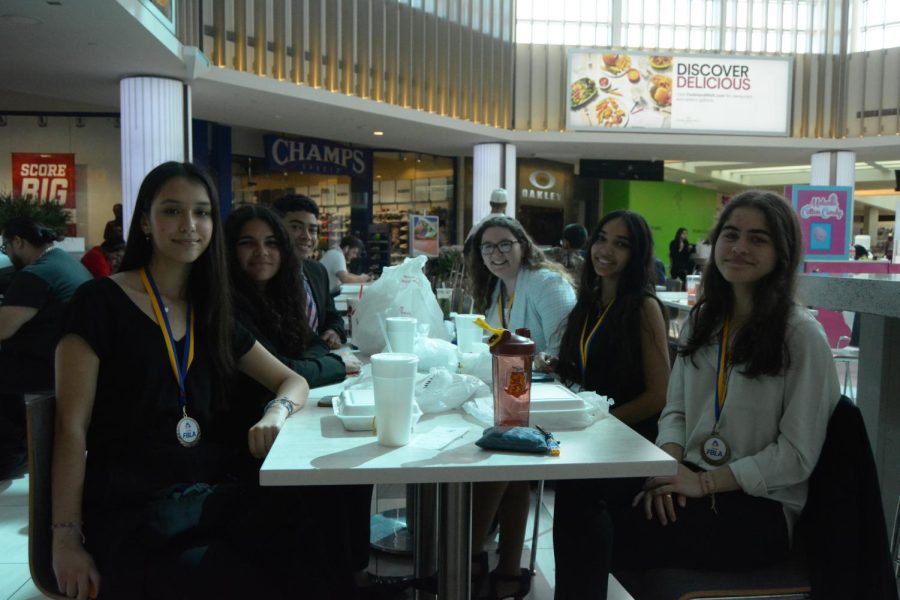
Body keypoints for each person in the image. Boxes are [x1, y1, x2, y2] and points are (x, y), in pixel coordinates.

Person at [51, 162, 356, 600]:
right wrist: (64, 539)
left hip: (208, 495)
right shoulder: (99, 302)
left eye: (202, 213)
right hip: (133, 506)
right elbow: (69, 427)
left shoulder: (211, 310)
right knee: (245, 572)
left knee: (319, 533)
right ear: (144, 221)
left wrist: (276, 410)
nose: (189, 226)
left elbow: (292, 381)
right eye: (172, 211)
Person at [552, 190, 841, 599]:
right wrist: (666, 467)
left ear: (783, 252)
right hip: (689, 473)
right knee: (579, 491)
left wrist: (704, 485)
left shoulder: (801, 335)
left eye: (758, 239)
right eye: (731, 234)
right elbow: (675, 410)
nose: (740, 247)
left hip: (758, 507)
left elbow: (796, 455)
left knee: (611, 526)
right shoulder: (704, 321)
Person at [466, 215, 576, 599]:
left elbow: (566, 349)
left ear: (523, 246)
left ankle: (470, 552)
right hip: (516, 395)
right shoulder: (500, 290)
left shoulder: (546, 283)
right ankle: (508, 568)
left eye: (503, 245)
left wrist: (536, 360)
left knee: (498, 454)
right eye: (487, 247)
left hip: (554, 396)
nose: (495, 254)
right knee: (509, 464)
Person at [552, 210, 670, 441]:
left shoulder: (644, 307)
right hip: (592, 432)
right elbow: (600, 372)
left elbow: (659, 395)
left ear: (636, 254)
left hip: (627, 438)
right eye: (601, 239)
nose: (605, 250)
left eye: (621, 244)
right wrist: (558, 366)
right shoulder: (591, 301)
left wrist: (603, 423)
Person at [225, 205, 354, 390]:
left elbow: (314, 340)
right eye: (247, 242)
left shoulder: (281, 295)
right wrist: (334, 364)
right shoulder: (227, 306)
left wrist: (307, 362)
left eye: (271, 243)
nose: (261, 251)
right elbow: (282, 371)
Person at [0, 217, 91, 479]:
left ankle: (11, 456)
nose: (7, 254)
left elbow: (3, 329)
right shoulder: (66, 263)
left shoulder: (36, 274)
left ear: (18, 242)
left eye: (6, 247)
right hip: (70, 365)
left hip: (47, 367)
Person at [271, 194, 347, 350]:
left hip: (318, 362)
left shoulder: (317, 271)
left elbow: (333, 316)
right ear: (276, 230)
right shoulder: (266, 277)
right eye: (296, 227)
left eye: (312, 230)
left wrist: (334, 331)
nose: (306, 236)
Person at [464, 188, 509, 255]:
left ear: (490, 203)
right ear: (505, 205)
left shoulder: (478, 225)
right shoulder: (511, 225)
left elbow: (467, 247)